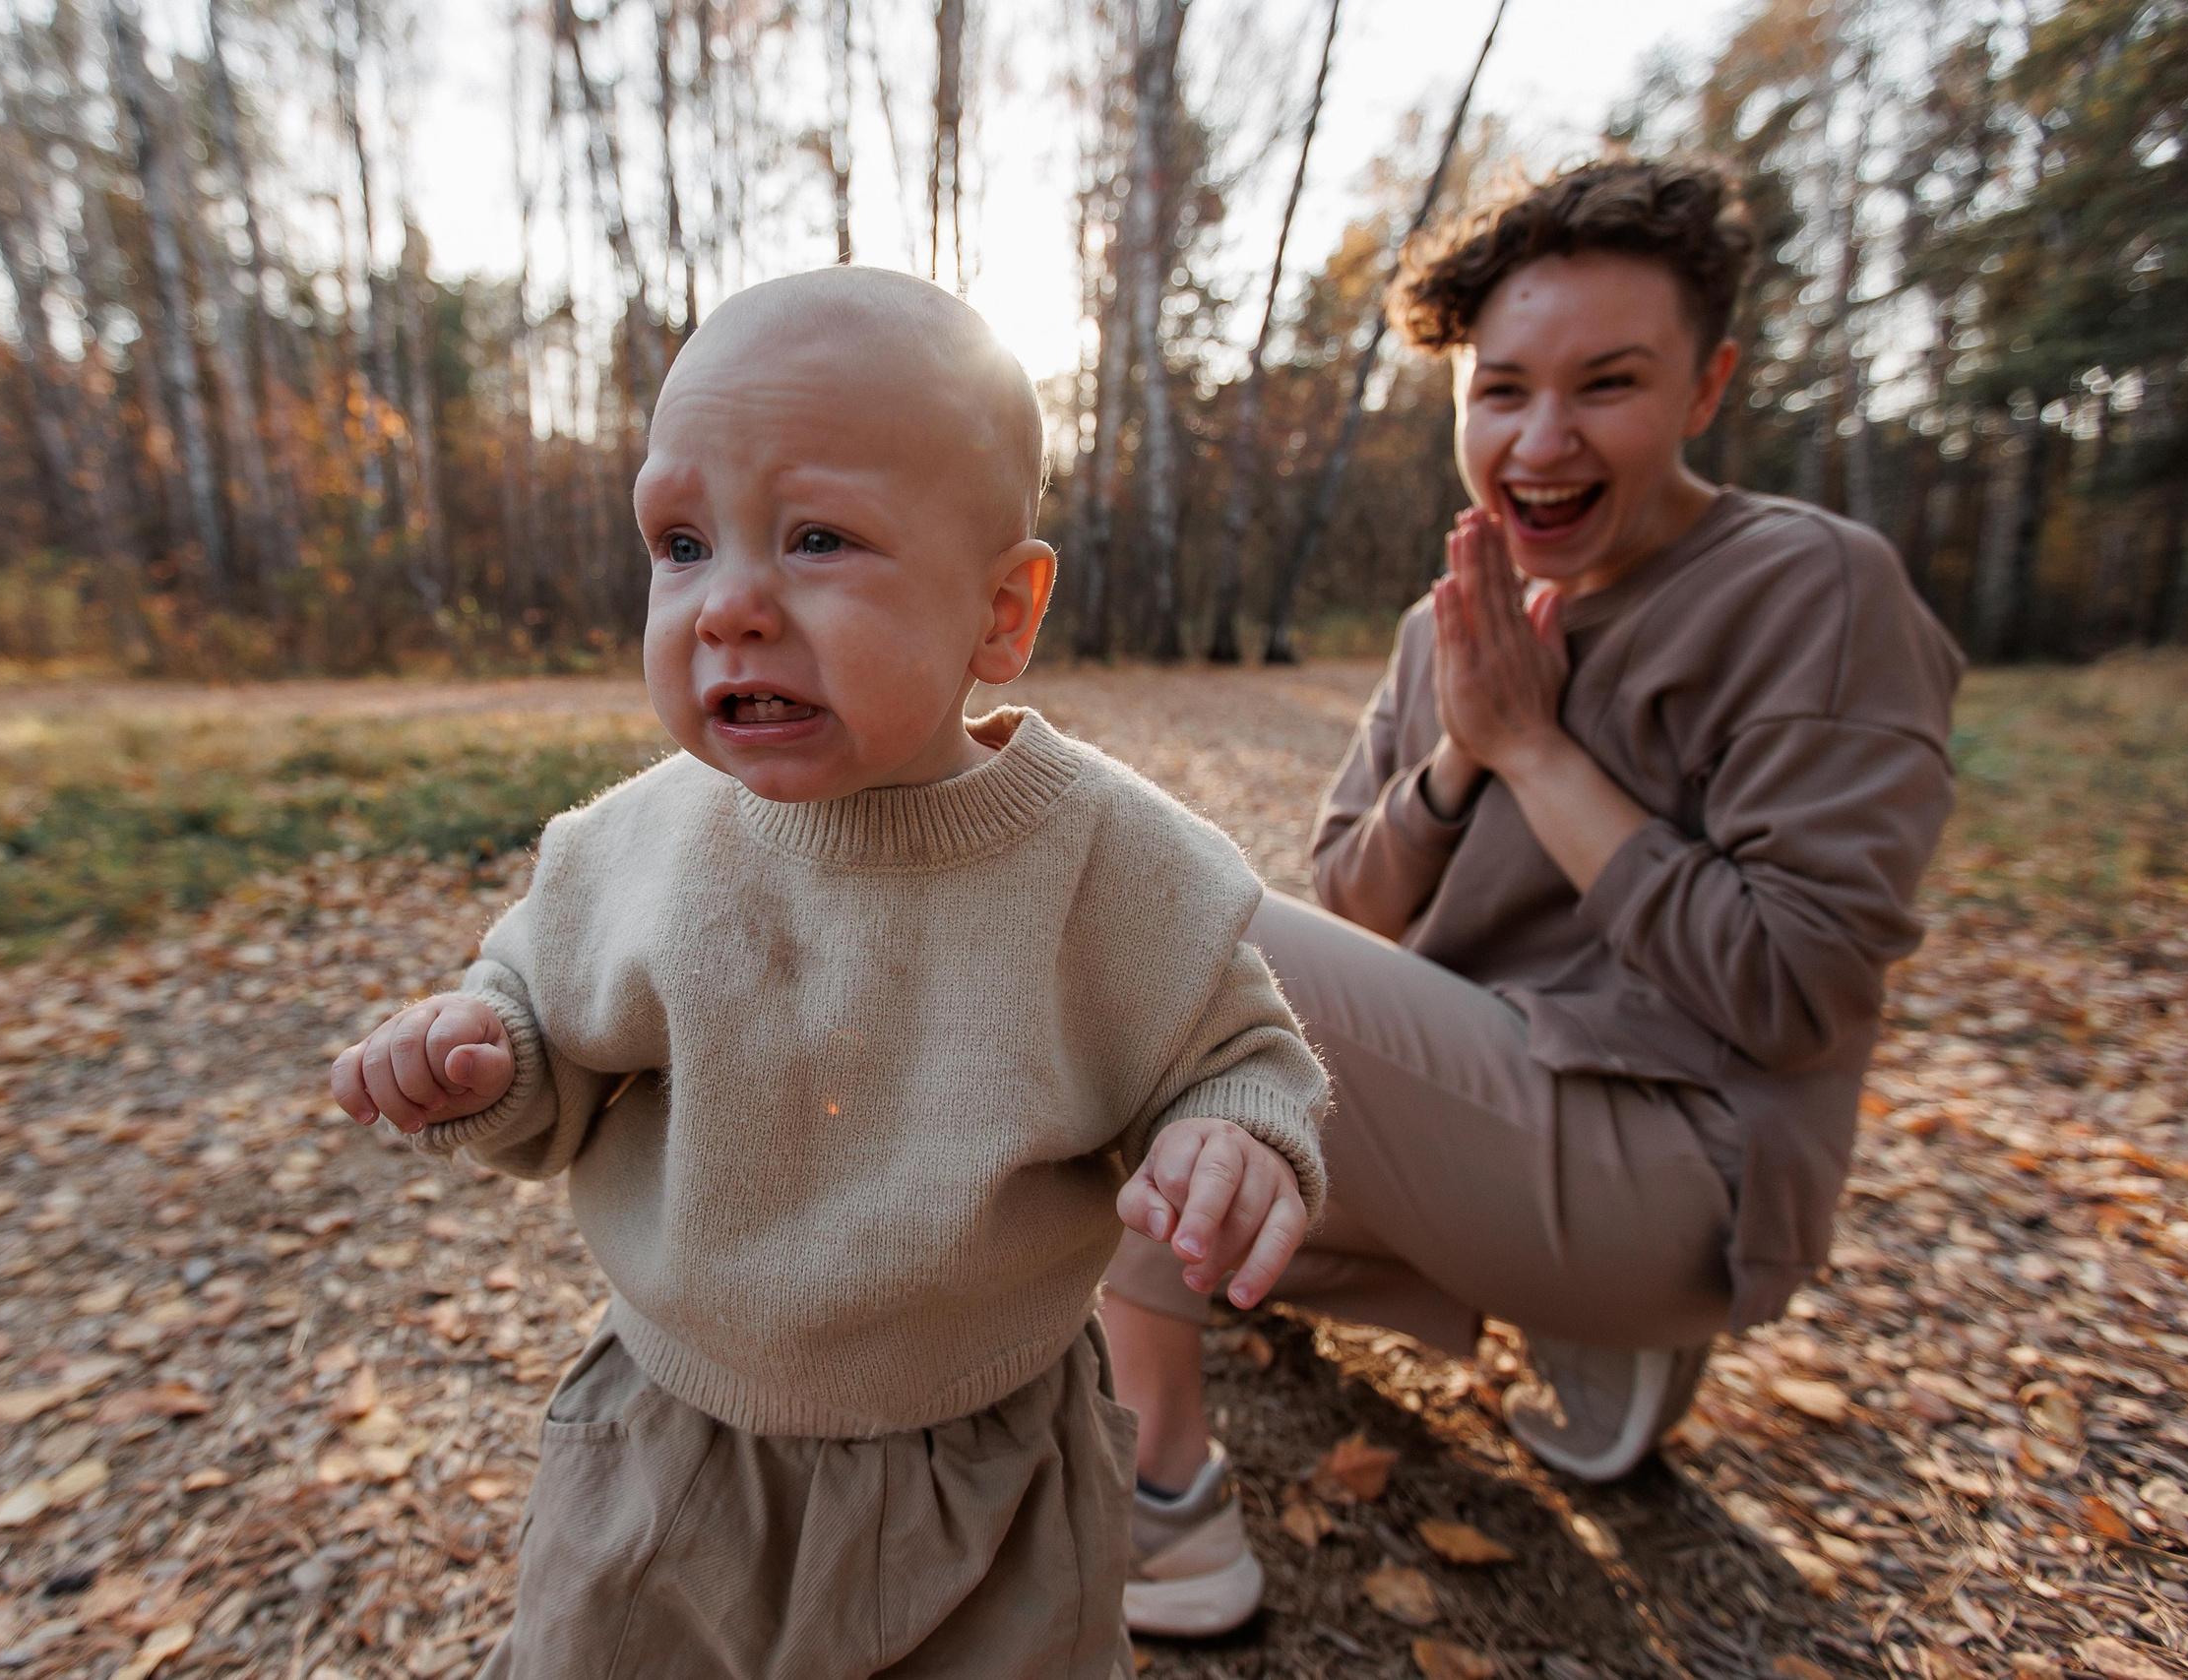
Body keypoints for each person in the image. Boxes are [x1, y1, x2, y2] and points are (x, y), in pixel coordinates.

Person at [327, 266, 1329, 1679]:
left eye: (815, 538)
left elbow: (1236, 1052)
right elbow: (539, 1041)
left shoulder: (1110, 863)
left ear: (1001, 613)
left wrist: (1233, 1133)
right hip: (678, 1454)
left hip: (995, 1467)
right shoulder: (633, 849)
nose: (726, 605)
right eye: (680, 544)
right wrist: (474, 1055)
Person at [1108, 157, 1965, 1639]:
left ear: (1708, 389)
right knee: (1148, 1178)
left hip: (1690, 1163)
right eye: (1501, 390)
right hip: (1511, 1112)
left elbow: (1798, 992)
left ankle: (1161, 1514)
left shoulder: (1813, 588)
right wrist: (1456, 754)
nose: (1542, 440)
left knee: (1162, 932)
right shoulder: (1452, 615)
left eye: (1607, 386)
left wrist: (1536, 752)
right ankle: (1578, 1320)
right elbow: (1356, 903)